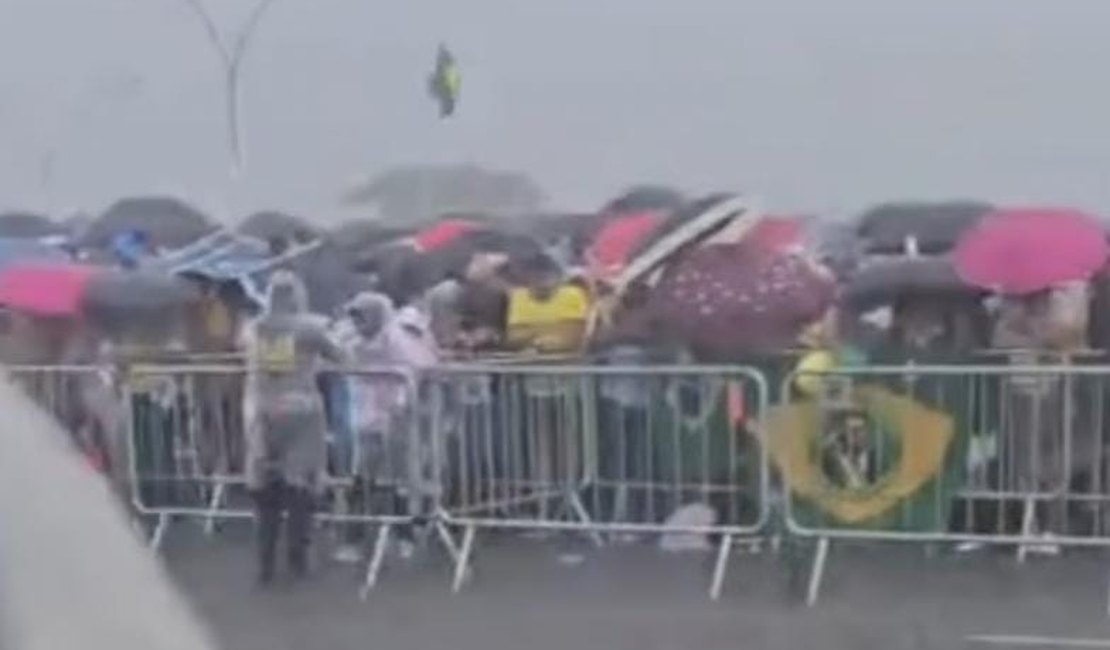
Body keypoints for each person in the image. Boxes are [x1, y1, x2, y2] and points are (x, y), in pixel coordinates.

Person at [241, 271, 341, 585]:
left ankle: (265, 562)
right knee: (299, 483)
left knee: (265, 485)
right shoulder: (309, 328)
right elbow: (340, 354)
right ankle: (297, 557)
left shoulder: (254, 328)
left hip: (261, 409)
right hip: (301, 408)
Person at [505, 254, 590, 354]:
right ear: (527, 277)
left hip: (567, 360)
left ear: (558, 276)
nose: (542, 279)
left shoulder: (572, 294)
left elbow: (574, 337)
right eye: (537, 274)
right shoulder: (518, 296)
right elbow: (513, 338)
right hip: (526, 359)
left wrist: (532, 334)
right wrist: (550, 332)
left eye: (547, 274)